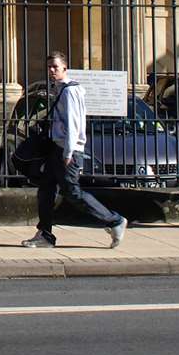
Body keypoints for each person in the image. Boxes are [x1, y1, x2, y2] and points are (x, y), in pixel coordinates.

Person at [23, 52, 127, 249]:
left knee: (72, 192)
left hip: (67, 150)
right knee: (45, 190)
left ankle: (114, 221)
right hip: (57, 148)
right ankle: (45, 234)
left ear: (64, 68)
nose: (52, 70)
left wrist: (69, 152)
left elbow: (74, 123)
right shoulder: (60, 89)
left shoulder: (70, 91)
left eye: (55, 66)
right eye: (49, 67)